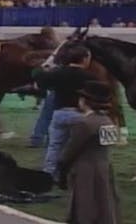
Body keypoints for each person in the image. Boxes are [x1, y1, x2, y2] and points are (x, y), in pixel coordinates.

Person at [57, 80, 121, 224]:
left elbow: (71, 150)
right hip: (104, 165)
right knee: (104, 201)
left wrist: (62, 167)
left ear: (85, 101)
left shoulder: (84, 124)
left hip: (85, 169)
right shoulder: (108, 121)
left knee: (85, 203)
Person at [32, 44, 97, 178]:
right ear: (84, 59)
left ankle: (49, 173)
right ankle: (75, 173)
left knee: (54, 145)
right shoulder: (90, 77)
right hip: (81, 114)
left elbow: (38, 77)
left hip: (60, 113)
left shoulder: (58, 73)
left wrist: (45, 67)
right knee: (80, 147)